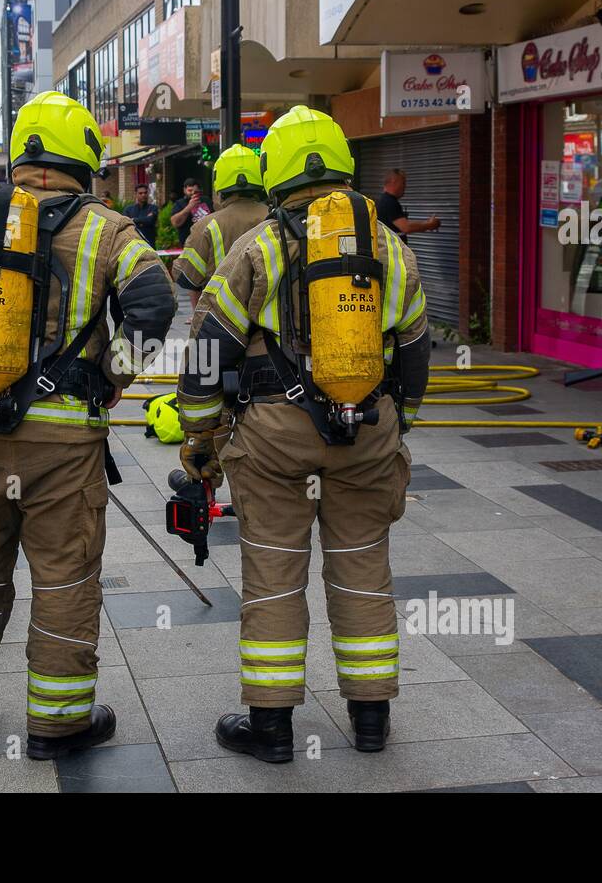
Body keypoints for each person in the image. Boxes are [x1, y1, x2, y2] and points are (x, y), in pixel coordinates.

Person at [0, 91, 175, 759]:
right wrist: (112, 377)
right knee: (65, 574)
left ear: (22, 156)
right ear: (84, 156)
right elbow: (154, 301)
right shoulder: (108, 229)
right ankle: (58, 723)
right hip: (65, 439)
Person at [175, 106, 431, 763]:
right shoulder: (387, 246)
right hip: (368, 430)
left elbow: (208, 349)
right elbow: (417, 345)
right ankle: (371, 722)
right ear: (345, 169)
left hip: (274, 441)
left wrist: (201, 435)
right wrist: (399, 418)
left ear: (278, 176)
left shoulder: (257, 247)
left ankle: (272, 730)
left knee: (274, 575)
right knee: (363, 571)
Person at [173, 145, 268, 306]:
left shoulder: (206, 225)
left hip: (220, 318)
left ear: (219, 184)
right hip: (270, 320)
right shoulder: (276, 217)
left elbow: (187, 277)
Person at [376, 168, 440, 242]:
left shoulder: (384, 200)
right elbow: (406, 227)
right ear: (394, 181)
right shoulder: (389, 202)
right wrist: (430, 224)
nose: (405, 187)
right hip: (392, 252)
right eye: (403, 183)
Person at [169, 176, 212, 244]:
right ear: (184, 190)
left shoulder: (206, 200)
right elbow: (175, 222)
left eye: (196, 191)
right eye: (190, 191)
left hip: (207, 240)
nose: (193, 193)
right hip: (189, 243)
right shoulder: (180, 203)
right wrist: (189, 207)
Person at [122, 183, 158, 248]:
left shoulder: (153, 208)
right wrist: (145, 219)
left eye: (145, 193)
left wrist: (134, 220)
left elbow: (150, 220)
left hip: (149, 243)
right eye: (140, 193)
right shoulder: (128, 209)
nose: (143, 195)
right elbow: (126, 224)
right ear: (136, 194)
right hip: (133, 245)